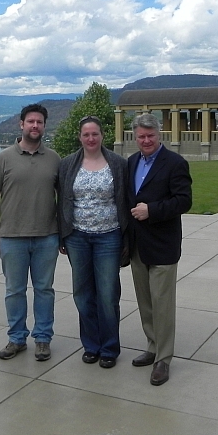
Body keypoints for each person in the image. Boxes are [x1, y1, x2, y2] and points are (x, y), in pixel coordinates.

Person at [0, 104, 61, 362]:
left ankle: (42, 339)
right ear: (21, 124)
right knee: (14, 291)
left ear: (44, 126)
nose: (35, 126)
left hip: (47, 236)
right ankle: (17, 338)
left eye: (39, 122)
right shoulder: (4, 158)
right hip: (11, 237)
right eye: (30, 121)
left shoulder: (54, 159)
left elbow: (63, 198)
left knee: (44, 290)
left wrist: (63, 234)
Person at [58, 116, 129, 369]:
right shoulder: (67, 164)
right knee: (83, 294)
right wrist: (62, 234)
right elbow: (61, 200)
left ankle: (109, 347)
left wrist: (127, 237)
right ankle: (91, 345)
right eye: (86, 134)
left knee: (107, 294)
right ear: (80, 137)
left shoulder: (118, 164)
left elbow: (126, 199)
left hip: (109, 236)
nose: (91, 138)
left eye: (95, 134)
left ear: (102, 135)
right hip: (77, 237)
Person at [127, 113, 192, 386]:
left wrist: (151, 210)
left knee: (162, 304)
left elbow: (184, 201)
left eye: (150, 136)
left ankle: (163, 359)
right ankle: (152, 346)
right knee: (146, 303)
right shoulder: (131, 162)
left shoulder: (175, 163)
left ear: (159, 135)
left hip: (163, 246)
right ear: (135, 137)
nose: (146, 141)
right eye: (141, 136)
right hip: (138, 246)